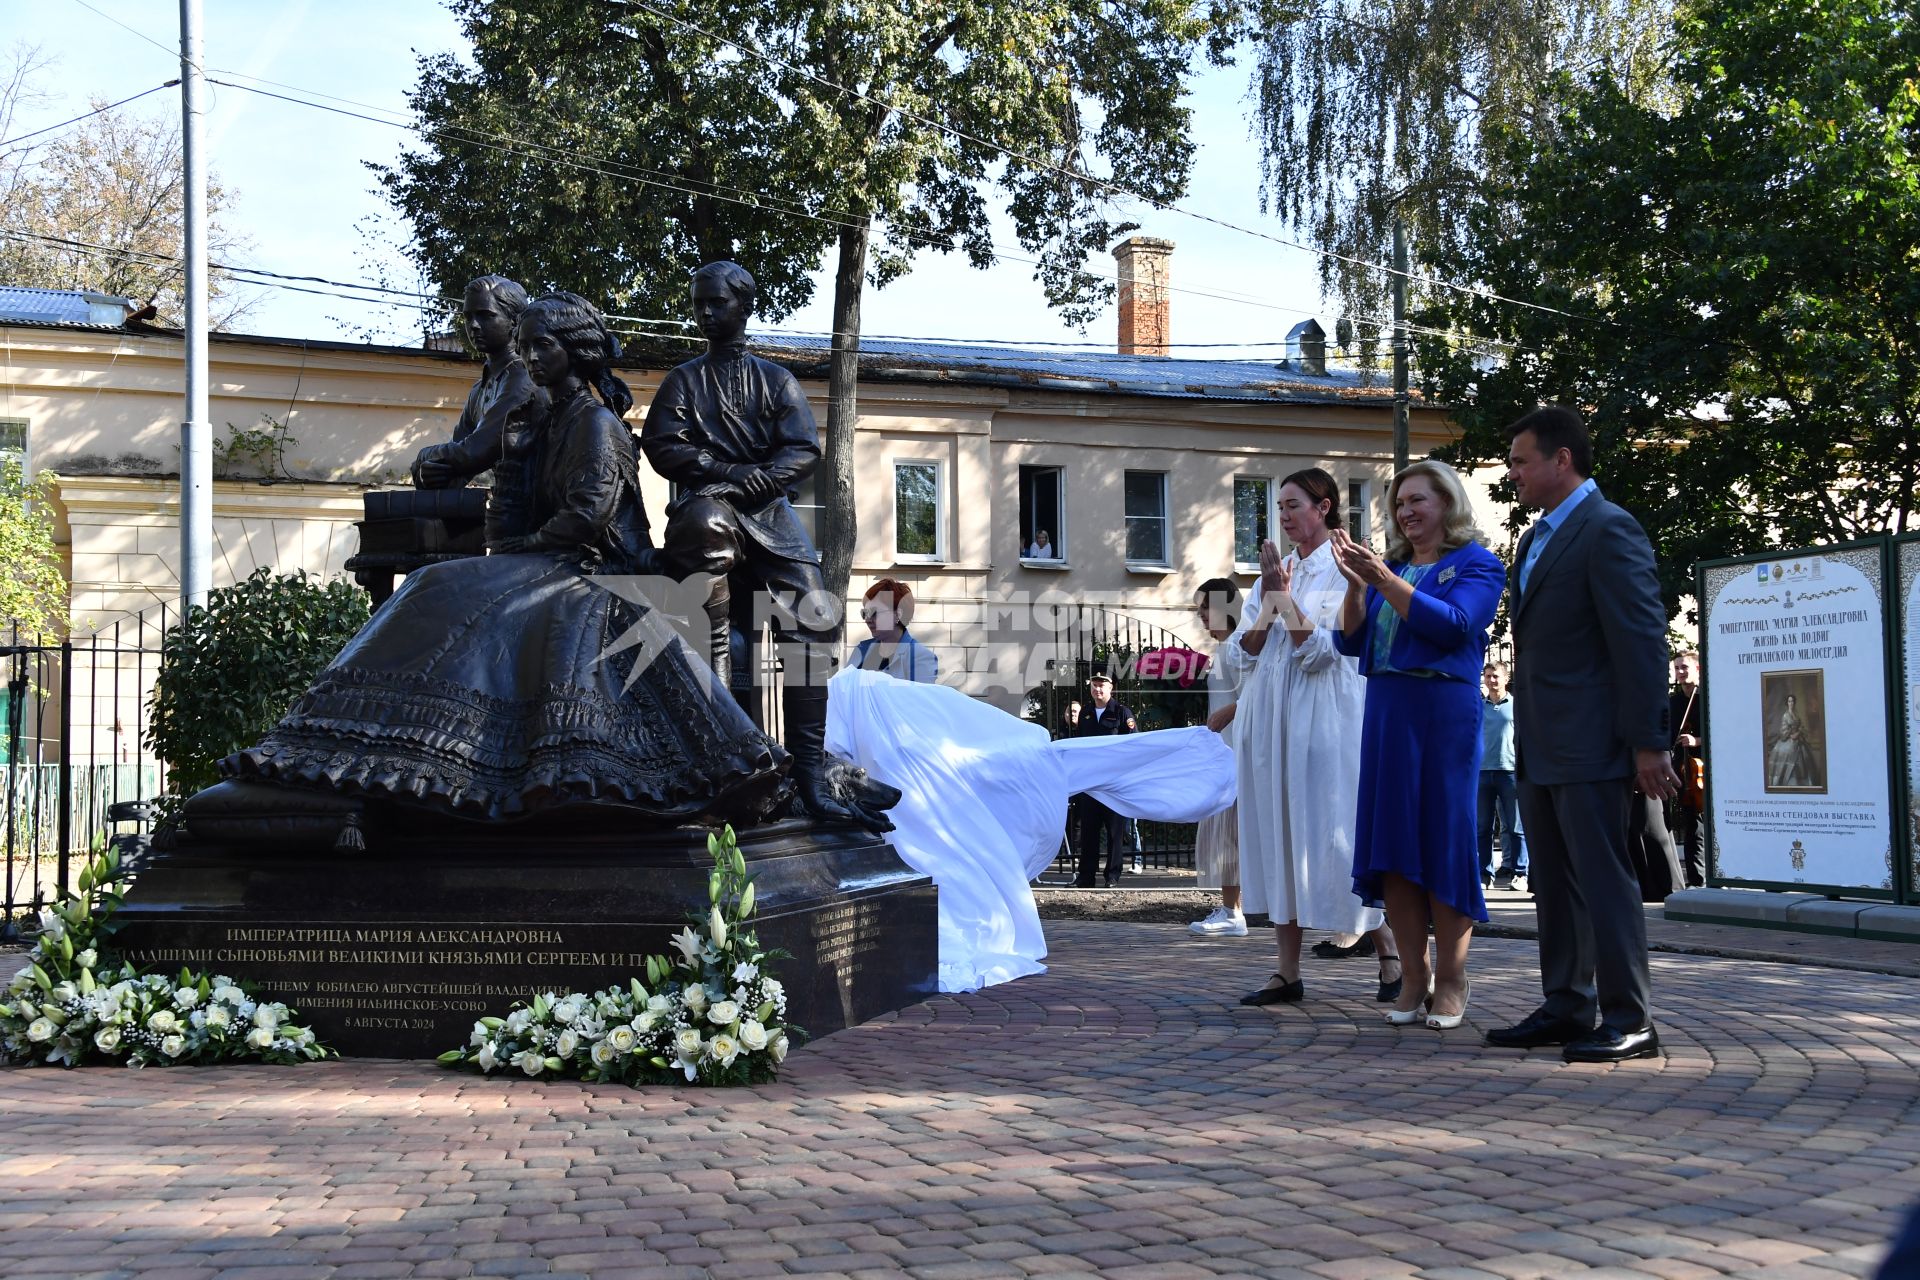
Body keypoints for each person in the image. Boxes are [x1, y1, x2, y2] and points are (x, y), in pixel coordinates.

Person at [227, 292, 789, 825]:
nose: (532, 358)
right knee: (433, 583)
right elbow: (509, 525)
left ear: (577, 350)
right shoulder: (548, 423)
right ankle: (353, 735)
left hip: (600, 571)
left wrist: (519, 546)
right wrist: (516, 458)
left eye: (543, 345)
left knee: (446, 588)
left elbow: (584, 520)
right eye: (526, 347)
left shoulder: (596, 423)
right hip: (554, 560)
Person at [827, 668, 1235, 993]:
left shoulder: (861, 702)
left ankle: (1193, 770)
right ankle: (1195, 764)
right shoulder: (871, 698)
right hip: (971, 755)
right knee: (1080, 764)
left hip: (975, 756)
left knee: (1086, 766)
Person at [1486, 406, 1674, 1064]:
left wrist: (1650, 742)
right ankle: (1568, 1003)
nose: (1513, 474)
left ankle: (1631, 1017)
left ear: (1560, 460)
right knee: (1555, 883)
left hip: (1594, 743)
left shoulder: (1609, 529)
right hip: (1540, 743)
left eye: (1520, 461)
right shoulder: (1537, 539)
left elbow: (1642, 642)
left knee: (1604, 880)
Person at [641, 260, 855, 823]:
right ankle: (729, 759)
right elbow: (663, 444)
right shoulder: (684, 380)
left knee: (812, 613)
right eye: (699, 304)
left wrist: (764, 478)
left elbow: (804, 448)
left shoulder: (774, 379)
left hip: (768, 514)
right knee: (725, 627)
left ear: (743, 306)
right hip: (709, 508)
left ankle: (809, 776)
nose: (706, 313)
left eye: (717, 302)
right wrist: (725, 472)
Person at [1332, 459, 1505, 1031]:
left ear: (1448, 504)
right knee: (1395, 846)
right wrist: (1359, 587)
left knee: (1443, 840)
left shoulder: (1476, 563)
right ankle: (1413, 977)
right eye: (1399, 503)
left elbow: (1455, 626)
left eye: (1418, 500)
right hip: (1387, 712)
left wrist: (1382, 578)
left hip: (1443, 713)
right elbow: (1349, 642)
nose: (1406, 512)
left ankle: (1452, 982)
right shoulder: (1394, 568)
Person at [1235, 467, 1399, 1008]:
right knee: (1280, 830)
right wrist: (1270, 597)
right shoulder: (1270, 574)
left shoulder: (1349, 566)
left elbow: (1322, 654)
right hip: (1272, 716)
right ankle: (1287, 971)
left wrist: (1286, 601)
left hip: (1325, 717)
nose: (1283, 517)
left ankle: (1389, 952)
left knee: (1334, 832)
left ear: (1324, 507)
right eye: (1278, 508)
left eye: (1293, 505)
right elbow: (1244, 651)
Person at [1189, 577, 1252, 937]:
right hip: (1226, 754)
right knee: (1230, 837)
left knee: (1232, 836)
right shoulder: (1228, 648)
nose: (1201, 618)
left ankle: (1232, 911)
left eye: (1204, 610)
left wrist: (1228, 714)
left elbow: (1255, 695)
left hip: (1236, 755)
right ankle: (1232, 908)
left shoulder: (1236, 648)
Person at [1070, 673, 1136, 887]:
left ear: (1111, 688)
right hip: (1091, 783)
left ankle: (1112, 876)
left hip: (1114, 783)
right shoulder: (1087, 713)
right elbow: (1079, 745)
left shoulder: (1122, 712)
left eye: (1102, 686)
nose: (1098, 689)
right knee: (1089, 830)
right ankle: (1086, 876)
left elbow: (1134, 744)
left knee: (1115, 832)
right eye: (1095, 685)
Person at [1478, 661, 1526, 889]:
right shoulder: (1479, 707)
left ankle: (1520, 872)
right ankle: (1484, 874)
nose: (1491, 680)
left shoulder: (1516, 706)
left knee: (1516, 827)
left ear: (1506, 679)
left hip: (1509, 771)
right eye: (1488, 676)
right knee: (1483, 828)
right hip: (1482, 772)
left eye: (1495, 676)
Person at [850, 578, 939, 682]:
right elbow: (844, 690)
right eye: (864, 613)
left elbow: (919, 697)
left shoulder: (920, 656)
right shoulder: (862, 649)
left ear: (898, 615)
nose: (868, 620)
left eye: (874, 613)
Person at [1669, 652, 1706, 886]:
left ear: (1698, 669)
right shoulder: (1674, 702)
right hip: (1682, 770)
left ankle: (1707, 878)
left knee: (1701, 826)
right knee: (1691, 826)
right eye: (1677, 668)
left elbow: (1724, 728)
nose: (1681, 672)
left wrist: (1697, 741)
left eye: (1685, 667)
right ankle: (1695, 881)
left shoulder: (1706, 697)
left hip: (1703, 768)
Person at [1768, 694, 1815, 787]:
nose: (1791, 703)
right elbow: (1783, 730)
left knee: (1804, 759)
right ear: (1787, 703)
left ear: (1794, 702)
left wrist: (1799, 731)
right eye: (1789, 701)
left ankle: (1802, 784)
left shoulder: (1796, 714)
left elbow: (1800, 725)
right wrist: (1792, 734)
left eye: (1792, 701)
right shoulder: (1785, 715)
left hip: (1799, 740)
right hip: (1789, 740)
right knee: (1790, 756)